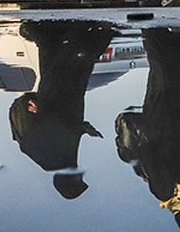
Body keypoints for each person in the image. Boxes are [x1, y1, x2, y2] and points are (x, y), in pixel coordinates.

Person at [115, 27, 180, 232]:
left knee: (163, 76)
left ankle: (153, 30)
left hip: (160, 123)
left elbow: (148, 154)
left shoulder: (164, 193)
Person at [9, 20, 116, 199]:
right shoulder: (61, 161)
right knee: (58, 64)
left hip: (58, 101)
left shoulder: (51, 160)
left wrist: (43, 114)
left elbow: (52, 131)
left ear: (69, 180)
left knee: (71, 63)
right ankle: (47, 32)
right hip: (64, 101)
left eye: (78, 180)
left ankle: (75, 31)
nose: (81, 175)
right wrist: (82, 129)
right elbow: (63, 133)